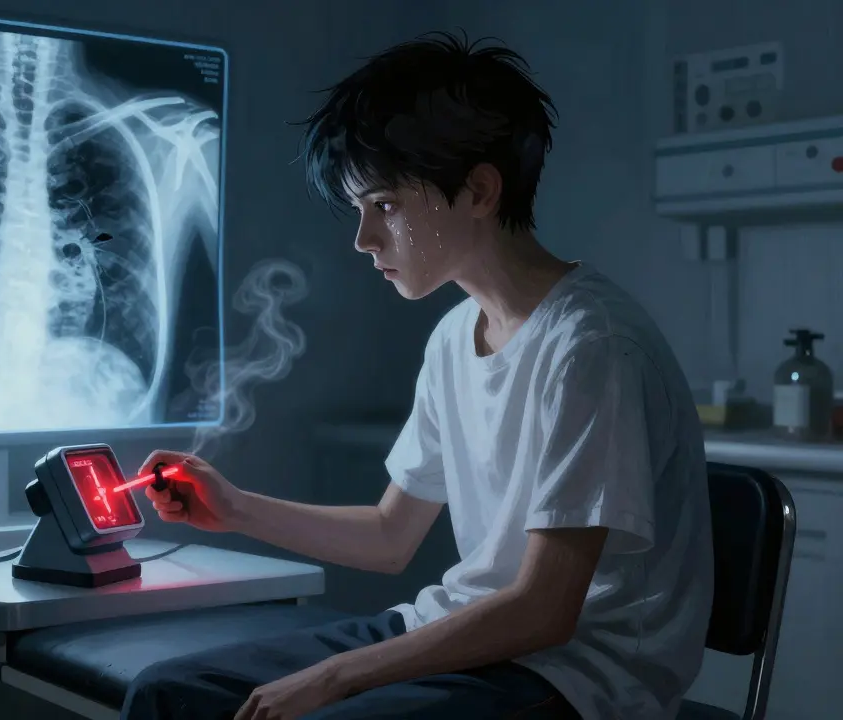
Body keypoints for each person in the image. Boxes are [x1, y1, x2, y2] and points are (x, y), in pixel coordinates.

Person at [121, 31, 714, 720]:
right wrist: (235, 508)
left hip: (574, 675)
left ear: (480, 190)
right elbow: (387, 535)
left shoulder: (592, 348)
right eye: (359, 211)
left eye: (386, 206)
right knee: (165, 696)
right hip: (462, 632)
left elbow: (545, 612)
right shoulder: (453, 336)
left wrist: (337, 676)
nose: (364, 240)